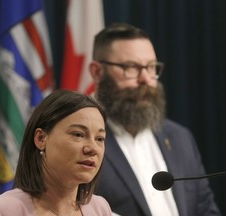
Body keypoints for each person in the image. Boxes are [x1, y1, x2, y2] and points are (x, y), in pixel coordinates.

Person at [89, 23, 221, 216]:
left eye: (151, 67)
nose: (146, 79)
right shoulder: (82, 143)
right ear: (97, 72)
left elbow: (206, 210)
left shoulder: (180, 138)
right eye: (131, 68)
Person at [0, 89, 112, 216]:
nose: (93, 148)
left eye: (100, 138)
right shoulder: (1, 211)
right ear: (41, 138)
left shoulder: (100, 209)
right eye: (78, 134)